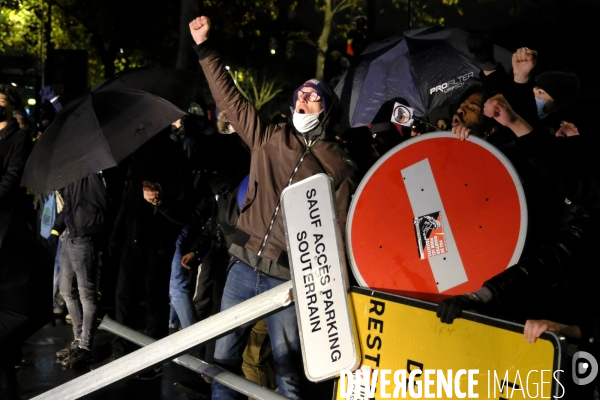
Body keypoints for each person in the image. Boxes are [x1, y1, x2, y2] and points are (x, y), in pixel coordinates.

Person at [189, 16, 357, 399]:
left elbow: (341, 232)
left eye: (312, 96)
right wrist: (204, 48)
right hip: (243, 266)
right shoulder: (270, 137)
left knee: (289, 373)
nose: (303, 98)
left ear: (326, 109)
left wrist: (337, 291)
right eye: (301, 94)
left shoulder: (339, 165)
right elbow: (230, 99)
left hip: (289, 282)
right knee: (224, 362)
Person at [50, 172, 109, 367]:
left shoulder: (92, 173)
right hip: (70, 235)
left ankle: (85, 346)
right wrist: (57, 227)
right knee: (67, 290)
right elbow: (69, 205)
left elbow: (100, 202)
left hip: (84, 236)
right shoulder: (73, 174)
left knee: (87, 294)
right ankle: (78, 340)